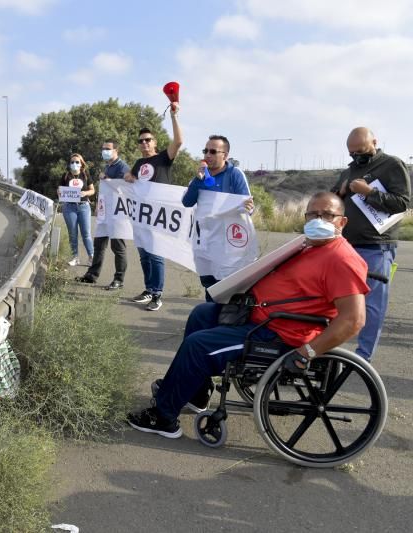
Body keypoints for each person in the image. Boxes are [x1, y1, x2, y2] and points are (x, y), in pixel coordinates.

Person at [127, 192, 369, 438]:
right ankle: (196, 393)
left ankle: (163, 417)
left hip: (279, 334)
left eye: (327, 215)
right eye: (312, 214)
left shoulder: (341, 259)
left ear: (342, 222)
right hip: (261, 316)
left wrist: (307, 352)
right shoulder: (310, 245)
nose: (319, 219)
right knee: (202, 314)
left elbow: (353, 320)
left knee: (197, 346)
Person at [331, 127, 411, 361]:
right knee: (336, 297)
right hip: (345, 244)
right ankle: (331, 347)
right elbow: (332, 201)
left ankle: (363, 357)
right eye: (352, 153)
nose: (357, 157)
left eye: (361, 152)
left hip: (376, 245)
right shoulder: (351, 170)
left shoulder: (391, 165)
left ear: (374, 142)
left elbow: (402, 203)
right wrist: (340, 191)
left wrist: (369, 193)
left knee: (372, 303)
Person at [124, 102, 183, 311]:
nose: (144, 143)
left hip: (158, 215)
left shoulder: (163, 158)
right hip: (141, 216)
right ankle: (148, 289)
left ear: (154, 142)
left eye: (147, 140)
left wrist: (174, 116)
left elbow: (178, 141)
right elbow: (132, 180)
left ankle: (157, 294)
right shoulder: (139, 163)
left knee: (156, 254)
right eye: (141, 141)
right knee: (144, 253)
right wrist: (129, 176)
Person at [182, 135, 254, 301]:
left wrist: (248, 209)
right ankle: (212, 318)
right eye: (205, 151)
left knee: (227, 285)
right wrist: (198, 181)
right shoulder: (199, 177)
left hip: (227, 243)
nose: (207, 155)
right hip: (205, 241)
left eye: (213, 151)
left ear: (225, 155)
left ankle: (225, 319)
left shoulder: (234, 175)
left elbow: (247, 205)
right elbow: (187, 202)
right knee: (209, 284)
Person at [76, 140, 130, 289]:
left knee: (118, 247)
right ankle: (92, 276)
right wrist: (99, 207)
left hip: (118, 214)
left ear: (116, 151)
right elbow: (106, 190)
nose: (104, 151)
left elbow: (125, 188)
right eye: (103, 148)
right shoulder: (108, 166)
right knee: (99, 244)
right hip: (105, 212)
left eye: (107, 149)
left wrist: (107, 180)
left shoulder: (123, 167)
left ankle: (119, 279)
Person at [58, 153, 95, 266]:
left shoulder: (85, 174)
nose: (74, 164)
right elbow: (59, 189)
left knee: (86, 234)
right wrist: (60, 192)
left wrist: (85, 192)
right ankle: (75, 257)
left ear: (81, 164)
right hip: (69, 207)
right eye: (72, 162)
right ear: (69, 164)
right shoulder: (65, 176)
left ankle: (91, 257)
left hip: (84, 206)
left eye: (77, 162)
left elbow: (92, 190)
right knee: (72, 234)